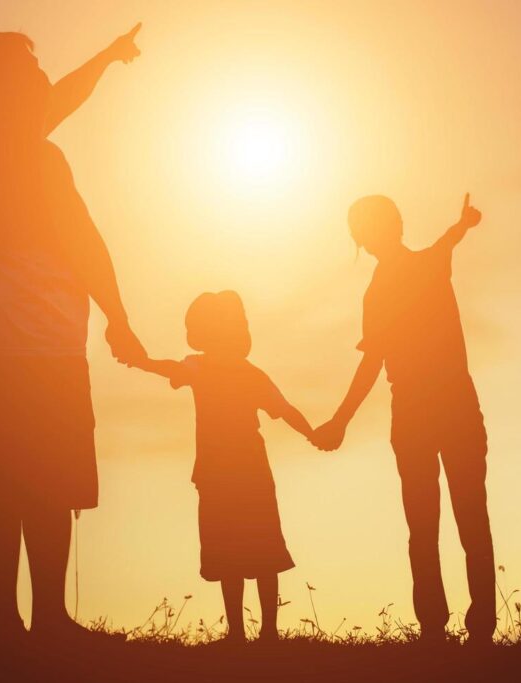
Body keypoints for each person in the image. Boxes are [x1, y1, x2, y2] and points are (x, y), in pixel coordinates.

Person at [0, 24, 146, 641]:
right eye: (31, 73)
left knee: (31, 487)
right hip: (29, 357)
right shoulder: (32, 155)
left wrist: (106, 57)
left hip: (29, 353)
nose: (44, 80)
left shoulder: (0, 146)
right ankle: (31, 624)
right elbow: (85, 244)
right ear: (1, 94)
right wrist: (119, 319)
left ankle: (33, 623)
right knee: (26, 488)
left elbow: (61, 97)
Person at [312, 194, 495, 645]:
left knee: (431, 523)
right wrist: (463, 224)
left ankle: (447, 631)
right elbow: (447, 242)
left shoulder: (385, 286)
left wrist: (339, 421)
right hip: (441, 405)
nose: (365, 238)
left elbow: (372, 362)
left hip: (426, 407)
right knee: (458, 517)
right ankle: (466, 631)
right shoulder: (419, 268)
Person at [134, 291, 313, 644]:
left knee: (237, 550)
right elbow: (287, 410)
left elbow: (170, 369)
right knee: (261, 550)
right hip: (245, 470)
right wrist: (316, 435)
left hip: (226, 471)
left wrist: (140, 361)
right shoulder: (248, 373)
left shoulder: (205, 368)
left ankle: (242, 633)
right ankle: (265, 633)